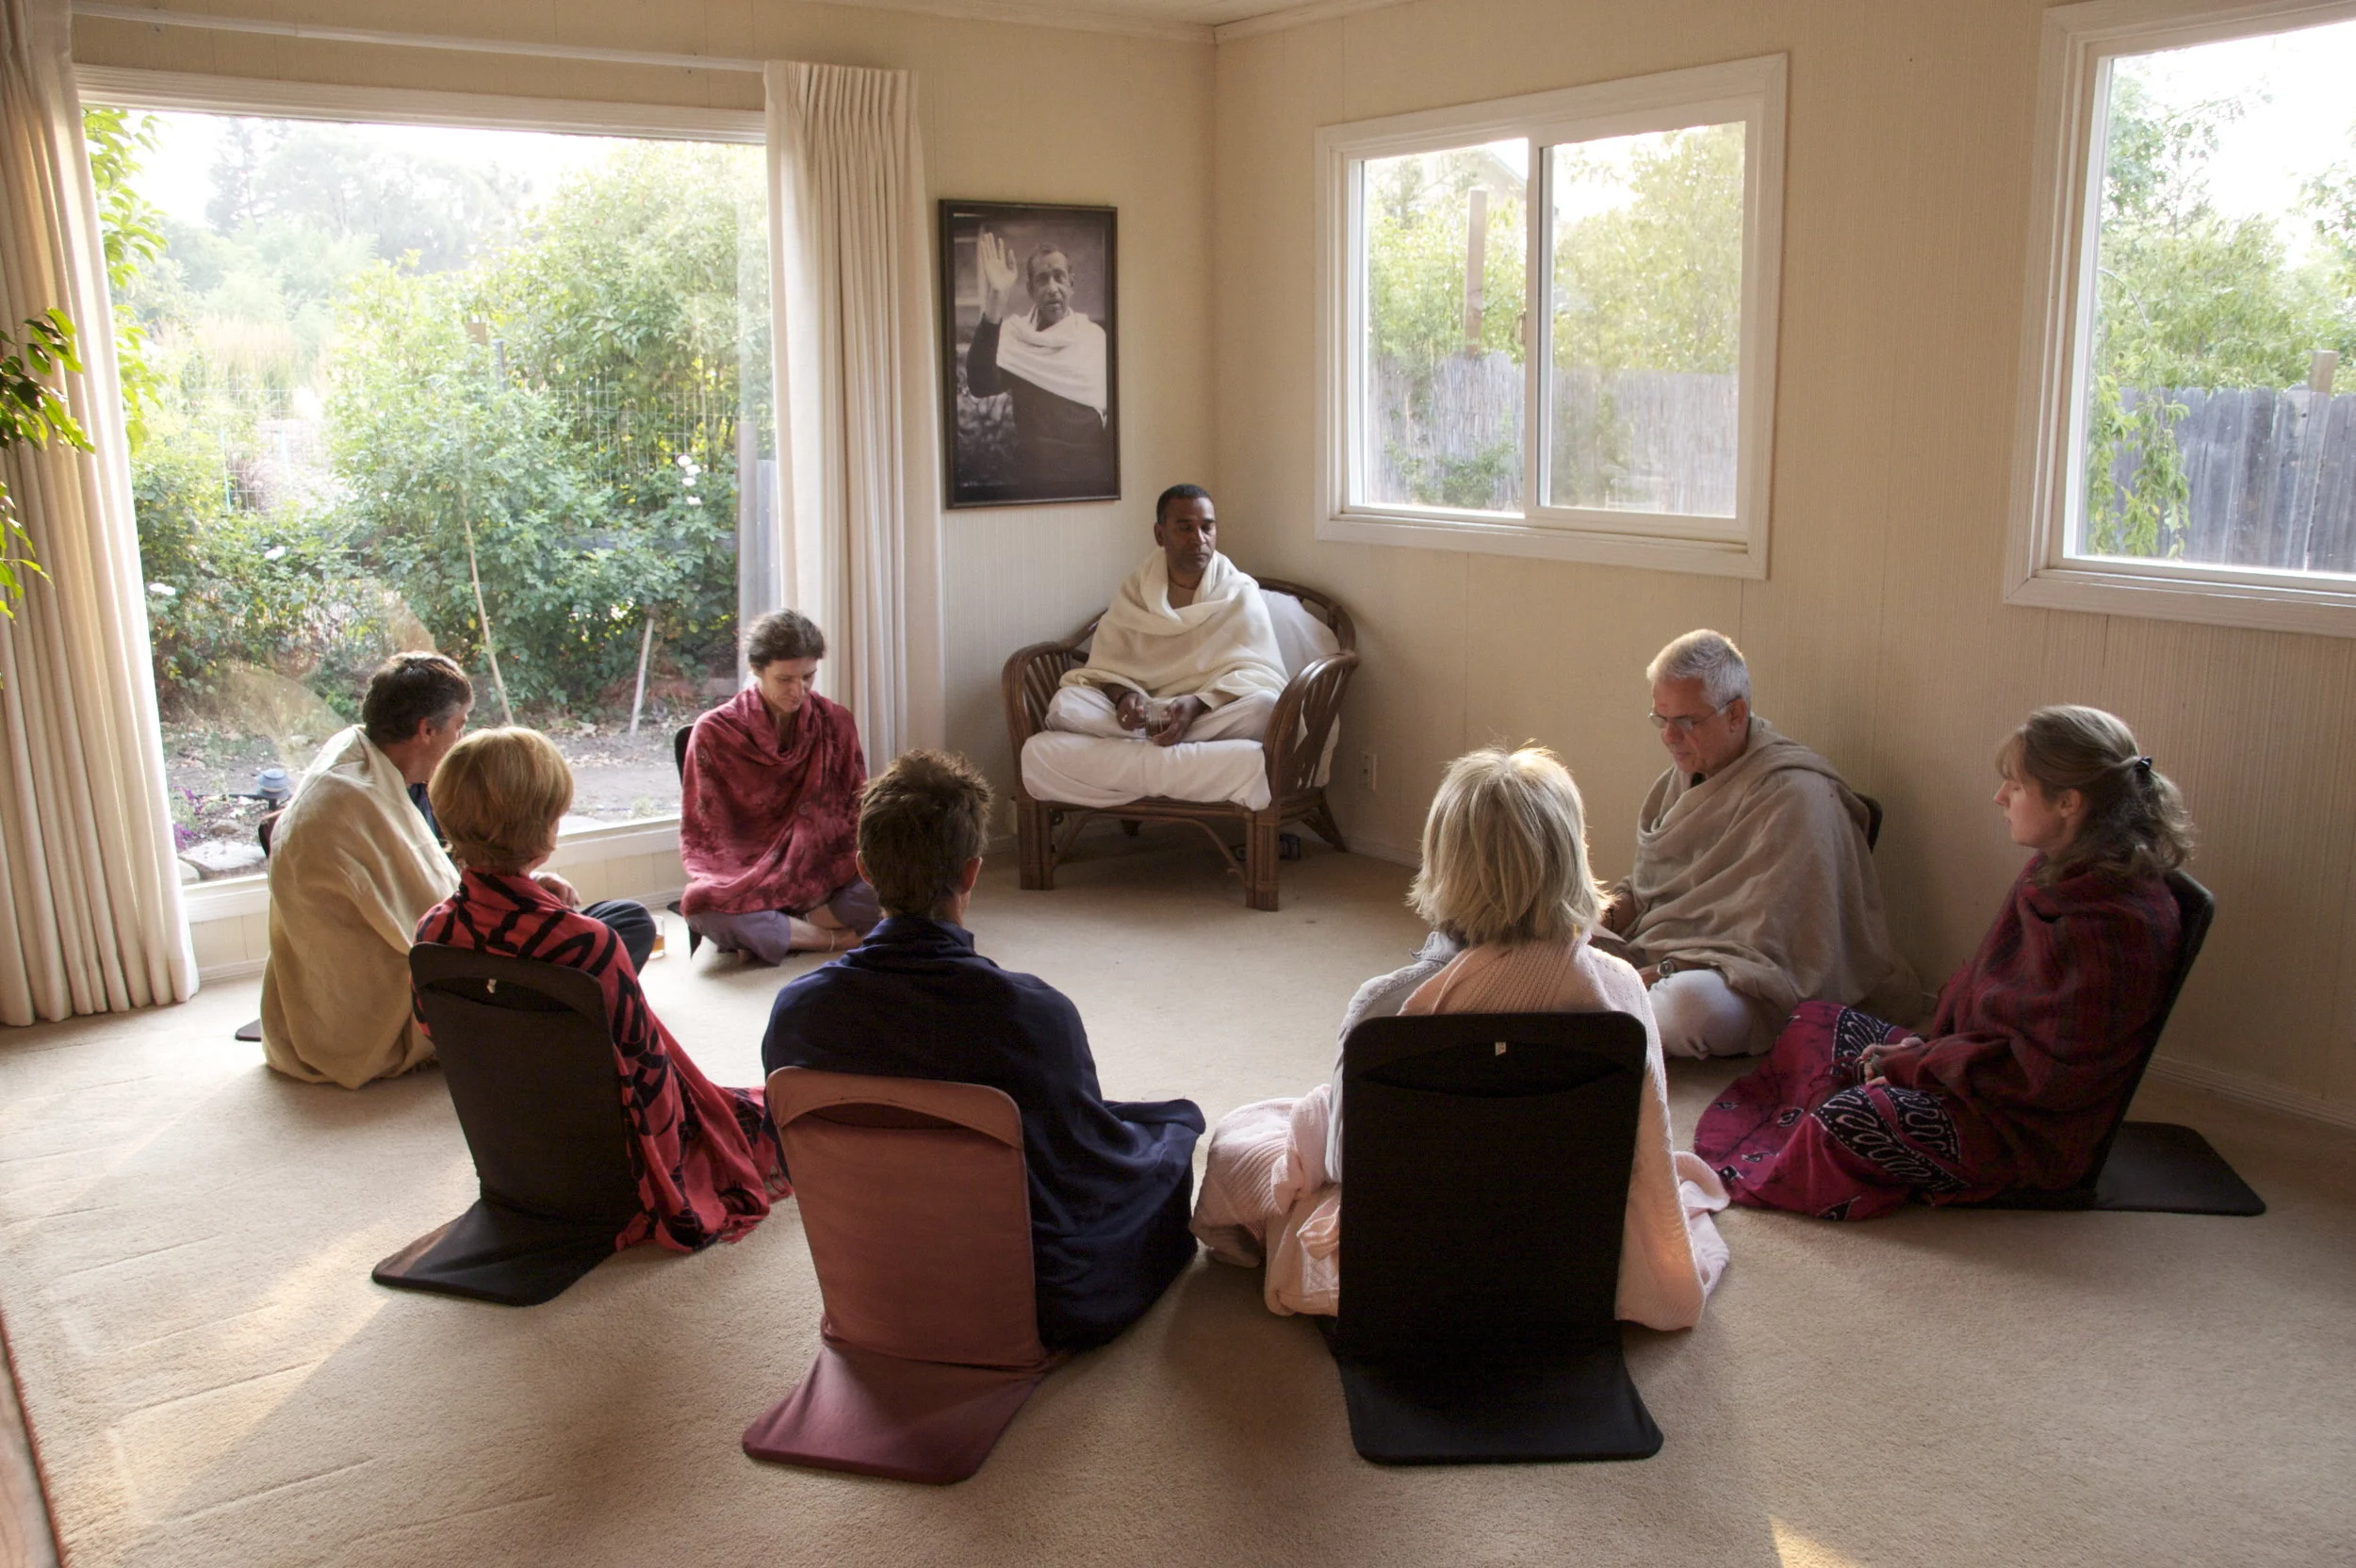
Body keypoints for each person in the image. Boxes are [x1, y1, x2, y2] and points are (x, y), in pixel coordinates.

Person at [1191, 746, 1731, 1331]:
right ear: (1570, 855)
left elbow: (1346, 1163)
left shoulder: (1383, 1011)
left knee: (1245, 1137)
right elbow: (1640, 1149)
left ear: (1442, 861)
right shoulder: (1621, 992)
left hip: (1412, 1256)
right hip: (1568, 1251)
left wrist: (1319, 1114)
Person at [761, 750, 1204, 1349]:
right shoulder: (1036, 1014)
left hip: (879, 1279)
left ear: (864, 868)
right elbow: (1083, 1168)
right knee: (1169, 1134)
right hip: (1035, 1299)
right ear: (971, 873)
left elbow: (797, 1162)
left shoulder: (797, 1012)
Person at [1694, 706, 2195, 1220]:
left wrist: (1917, 1068)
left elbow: (2043, 1080)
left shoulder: (2110, 925)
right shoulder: (2057, 868)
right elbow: (1985, 999)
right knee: (1813, 1021)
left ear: (2069, 802)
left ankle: (1821, 1126)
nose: (2000, 797)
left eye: (2016, 785)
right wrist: (1921, 1051)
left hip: (2020, 1130)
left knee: (1848, 1118)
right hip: (1969, 1072)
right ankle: (1835, 1106)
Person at [416, 727, 786, 1250]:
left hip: (508, 1141)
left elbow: (433, 1028)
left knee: (625, 918)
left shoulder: (432, 932)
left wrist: (540, 902)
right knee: (758, 1121)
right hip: (598, 1156)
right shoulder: (588, 944)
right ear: (543, 825)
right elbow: (645, 1072)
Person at [259, 652, 653, 1088]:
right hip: (388, 1010)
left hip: (362, 985)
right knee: (614, 934)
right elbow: (447, 932)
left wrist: (524, 884)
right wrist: (526, 897)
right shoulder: (355, 803)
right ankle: (535, 1032)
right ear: (426, 730)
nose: (461, 736)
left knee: (610, 922)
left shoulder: (372, 762)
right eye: (460, 724)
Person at [1596, 629, 1917, 1059]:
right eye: (1661, 719)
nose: (1669, 737)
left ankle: (1607, 1018)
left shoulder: (1796, 795)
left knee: (1686, 1009)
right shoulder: (1681, 776)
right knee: (1545, 946)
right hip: (1663, 953)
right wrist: (1598, 919)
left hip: (1747, 981)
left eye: (1685, 722)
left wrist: (1668, 968)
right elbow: (1648, 886)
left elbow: (1778, 944)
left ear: (1735, 713)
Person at [679, 610, 879, 962]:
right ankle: (830, 937)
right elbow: (706, 832)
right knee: (702, 908)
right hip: (749, 875)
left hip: (826, 868)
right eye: (785, 679)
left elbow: (857, 809)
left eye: (808, 677)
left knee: (899, 879)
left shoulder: (835, 721)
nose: (798, 690)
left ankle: (787, 931)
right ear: (756, 670)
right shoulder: (715, 732)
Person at [1042, 484, 1288, 748]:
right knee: (1065, 704)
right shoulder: (1134, 591)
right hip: (1145, 710)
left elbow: (1259, 674)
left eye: (1207, 527)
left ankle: (1156, 737)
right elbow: (1105, 671)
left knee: (1266, 707)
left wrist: (1199, 703)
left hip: (1206, 711)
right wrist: (1124, 697)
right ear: (1160, 535)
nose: (1199, 539)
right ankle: (1159, 732)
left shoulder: (1239, 591)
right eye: (1185, 528)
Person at [964, 232, 1115, 498]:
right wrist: (998, 294)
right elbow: (980, 384)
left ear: (1072, 283)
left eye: (1059, 276)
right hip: (1036, 478)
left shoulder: (1094, 339)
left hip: (1092, 476)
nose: (1052, 288)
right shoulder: (1019, 339)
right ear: (1031, 289)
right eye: (1043, 279)